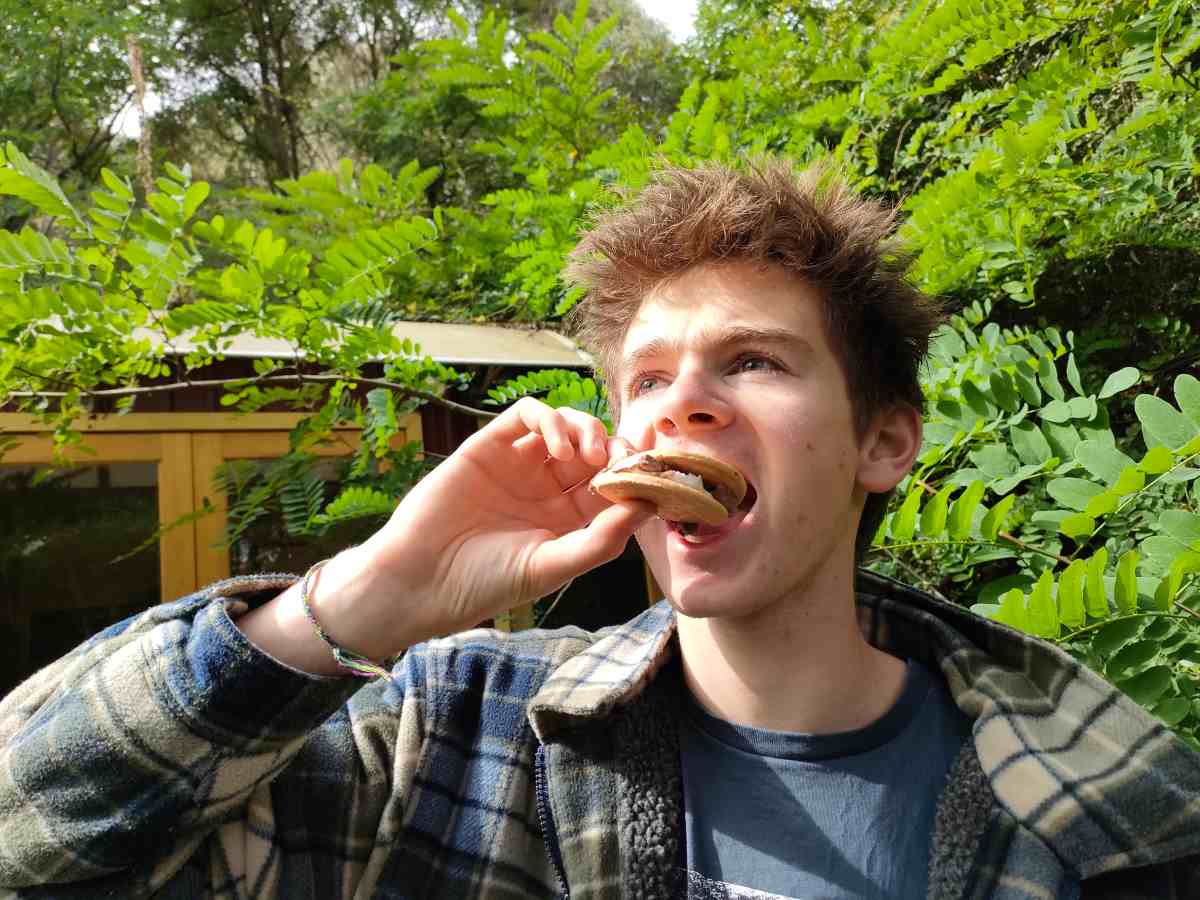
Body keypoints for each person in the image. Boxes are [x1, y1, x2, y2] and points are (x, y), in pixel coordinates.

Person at [1, 161, 1197, 900]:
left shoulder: (1110, 816)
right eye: (647, 378)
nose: (681, 401)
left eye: (755, 361)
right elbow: (32, 843)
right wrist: (358, 599)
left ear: (885, 442)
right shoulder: (449, 738)